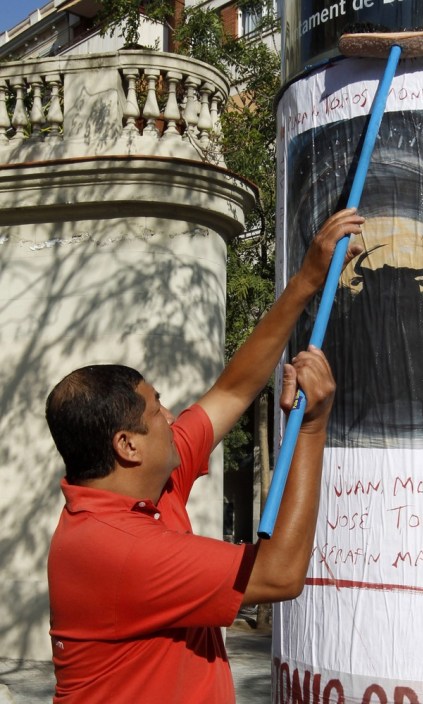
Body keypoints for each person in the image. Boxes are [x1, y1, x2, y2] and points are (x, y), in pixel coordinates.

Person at [45, 208, 365, 703]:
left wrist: (306, 280)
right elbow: (280, 574)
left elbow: (233, 391)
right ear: (127, 446)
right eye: (157, 411)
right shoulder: (118, 549)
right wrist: (313, 426)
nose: (172, 416)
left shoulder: (149, 489)